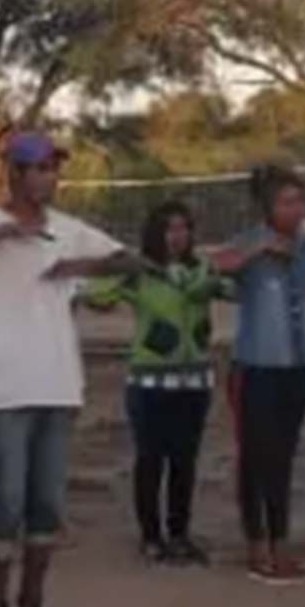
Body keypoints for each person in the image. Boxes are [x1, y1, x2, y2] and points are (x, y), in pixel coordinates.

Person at [0, 132, 140, 607]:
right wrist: (3, 233)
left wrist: (80, 267)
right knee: (5, 502)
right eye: (38, 168)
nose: (48, 178)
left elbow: (130, 259)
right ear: (14, 173)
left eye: (54, 169)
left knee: (46, 504)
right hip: (2, 388)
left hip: (56, 384)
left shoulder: (68, 230)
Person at [84, 201, 228, 566]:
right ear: (155, 234)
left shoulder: (202, 269)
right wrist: (122, 270)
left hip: (194, 380)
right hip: (149, 382)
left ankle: (180, 534)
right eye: (169, 229)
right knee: (150, 460)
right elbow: (97, 295)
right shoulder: (141, 274)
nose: (177, 237)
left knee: (185, 460)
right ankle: (151, 536)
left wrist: (216, 278)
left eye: (183, 228)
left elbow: (234, 289)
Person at [214, 164, 305, 585]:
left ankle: (281, 544)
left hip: (299, 364)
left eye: (300, 201)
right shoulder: (251, 242)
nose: (296, 209)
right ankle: (256, 545)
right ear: (268, 206)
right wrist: (259, 250)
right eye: (287, 202)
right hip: (257, 367)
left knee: (283, 456)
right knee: (256, 456)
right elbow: (216, 266)